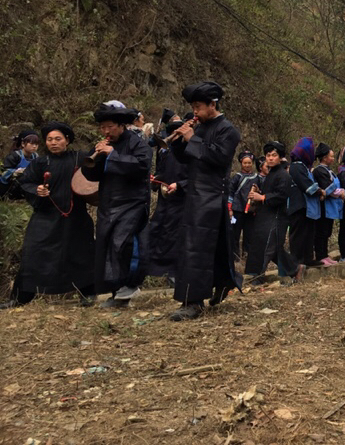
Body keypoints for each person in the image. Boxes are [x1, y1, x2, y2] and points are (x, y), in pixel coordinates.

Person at [0, 122, 95, 309]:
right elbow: (24, 184)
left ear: (67, 140)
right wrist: (37, 189)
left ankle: (88, 294)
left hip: (75, 216)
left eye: (58, 139)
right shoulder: (39, 163)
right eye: (49, 139)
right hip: (45, 217)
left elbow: (97, 171)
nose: (53, 143)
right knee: (33, 254)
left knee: (81, 254)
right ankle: (19, 298)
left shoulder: (80, 158)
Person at [169, 82, 242, 320]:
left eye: (198, 106)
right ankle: (223, 282)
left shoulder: (228, 130)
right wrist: (180, 137)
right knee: (211, 246)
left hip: (211, 194)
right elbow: (185, 159)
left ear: (213, 104)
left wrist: (193, 139)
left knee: (197, 248)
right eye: (193, 107)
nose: (195, 111)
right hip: (193, 192)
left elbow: (220, 158)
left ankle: (193, 301)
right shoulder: (199, 127)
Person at [81, 101, 151, 308]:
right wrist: (99, 157)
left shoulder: (138, 144)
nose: (106, 131)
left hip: (133, 202)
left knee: (123, 244)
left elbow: (142, 166)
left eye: (110, 126)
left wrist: (112, 154)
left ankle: (130, 285)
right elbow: (91, 173)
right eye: (102, 127)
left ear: (122, 125)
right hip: (109, 202)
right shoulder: (103, 146)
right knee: (107, 245)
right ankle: (116, 292)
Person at [247, 141, 305, 283]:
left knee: (268, 247)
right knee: (272, 248)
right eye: (268, 155)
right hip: (266, 216)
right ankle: (295, 269)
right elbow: (271, 193)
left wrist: (262, 197)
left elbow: (281, 195)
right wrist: (259, 193)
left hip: (277, 217)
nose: (271, 158)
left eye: (274, 155)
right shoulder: (271, 173)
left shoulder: (283, 175)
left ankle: (257, 277)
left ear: (280, 157)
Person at [145, 119, 188, 281]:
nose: (174, 137)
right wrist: (156, 179)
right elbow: (162, 171)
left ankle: (175, 272)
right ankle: (156, 271)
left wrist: (180, 185)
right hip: (165, 199)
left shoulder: (190, 152)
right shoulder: (165, 152)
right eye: (172, 134)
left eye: (178, 134)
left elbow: (197, 177)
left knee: (176, 235)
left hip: (183, 201)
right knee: (157, 230)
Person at [287, 137, 322, 266]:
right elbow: (306, 185)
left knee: (308, 232)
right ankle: (296, 261)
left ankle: (308, 259)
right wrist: (320, 191)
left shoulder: (304, 167)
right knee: (298, 234)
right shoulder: (296, 167)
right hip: (298, 205)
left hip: (306, 207)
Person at [312, 142, 344, 266]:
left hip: (331, 206)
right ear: (324, 158)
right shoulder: (319, 171)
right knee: (321, 231)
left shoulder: (328, 170)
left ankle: (325, 255)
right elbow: (328, 188)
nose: (333, 158)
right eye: (331, 156)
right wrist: (341, 191)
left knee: (327, 231)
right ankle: (320, 255)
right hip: (323, 206)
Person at [228, 151, 258, 262]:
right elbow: (230, 192)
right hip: (237, 210)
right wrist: (230, 209)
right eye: (245, 163)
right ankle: (235, 258)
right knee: (235, 234)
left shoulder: (256, 177)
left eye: (249, 163)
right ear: (241, 163)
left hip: (250, 211)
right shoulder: (237, 177)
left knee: (249, 235)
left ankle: (247, 257)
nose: (247, 165)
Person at [1, 130, 40, 200]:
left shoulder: (35, 156)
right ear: (23, 144)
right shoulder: (14, 156)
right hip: (9, 186)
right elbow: (4, 173)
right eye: (31, 143)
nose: (34, 146)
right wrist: (16, 172)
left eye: (36, 144)